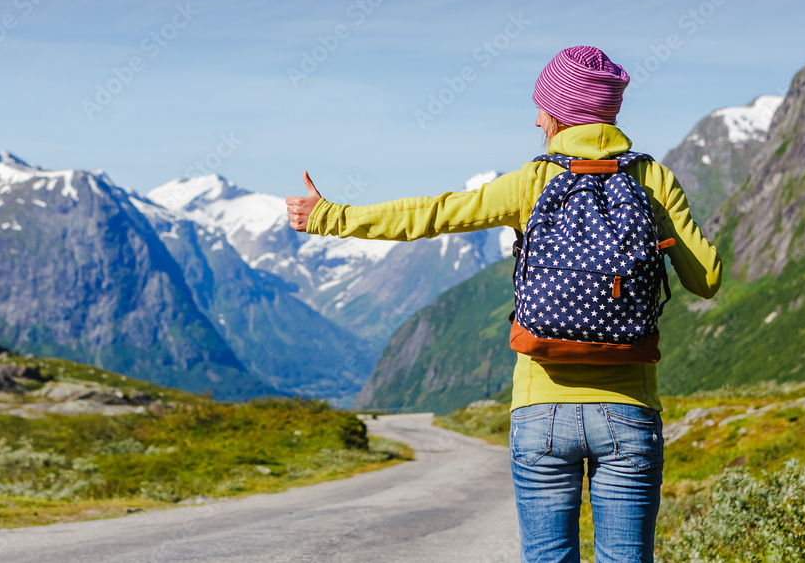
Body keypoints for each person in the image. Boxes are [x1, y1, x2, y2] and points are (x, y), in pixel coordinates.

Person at [285, 46, 722, 563]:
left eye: (542, 105)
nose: (536, 117)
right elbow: (707, 280)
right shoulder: (652, 179)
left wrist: (329, 216)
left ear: (560, 112)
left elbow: (434, 214)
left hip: (540, 408)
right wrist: (657, 236)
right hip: (628, 412)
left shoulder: (533, 180)